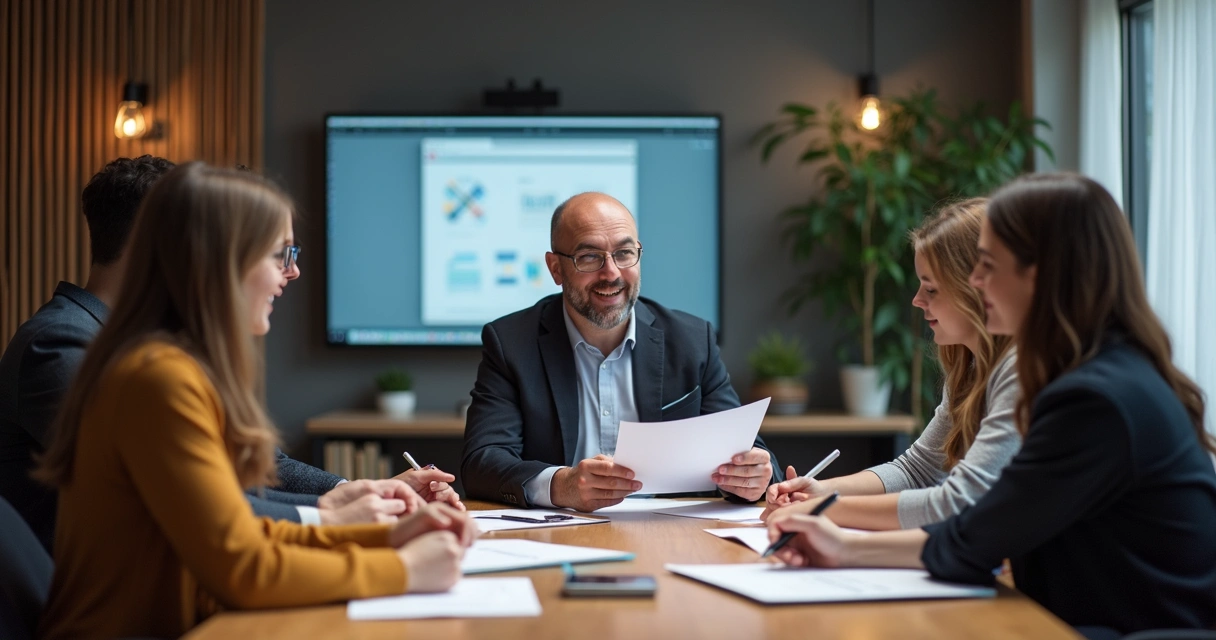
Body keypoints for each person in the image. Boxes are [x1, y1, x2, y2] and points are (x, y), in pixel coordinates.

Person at [34, 162, 477, 639]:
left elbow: (241, 535)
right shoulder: (157, 378)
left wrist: (389, 536)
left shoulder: (171, 368)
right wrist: (404, 570)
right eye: (280, 254)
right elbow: (243, 567)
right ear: (219, 262)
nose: (292, 272)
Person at [766, 174, 1216, 634]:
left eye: (987, 265)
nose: (977, 282)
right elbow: (981, 529)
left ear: (1039, 274)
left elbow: (975, 527)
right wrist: (838, 539)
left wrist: (839, 533)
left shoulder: (1091, 398)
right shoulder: (1101, 372)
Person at [461, 192, 781, 511]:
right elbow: (482, 462)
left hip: (675, 535)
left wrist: (753, 479)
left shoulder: (692, 341)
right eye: (589, 257)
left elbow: (750, 455)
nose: (611, 272)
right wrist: (560, 485)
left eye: (624, 253)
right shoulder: (512, 343)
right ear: (556, 268)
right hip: (558, 533)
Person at [762, 199, 1021, 530]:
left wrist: (822, 512)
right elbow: (919, 470)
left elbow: (957, 502)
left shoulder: (1018, 370)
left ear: (976, 289)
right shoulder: (969, 369)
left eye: (930, 288)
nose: (916, 300)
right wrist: (821, 493)